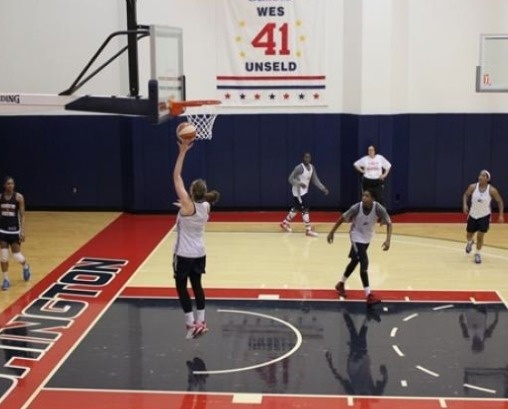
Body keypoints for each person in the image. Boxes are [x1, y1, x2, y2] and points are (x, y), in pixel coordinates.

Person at [173, 136, 220, 339]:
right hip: (199, 253)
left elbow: (176, 176)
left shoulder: (187, 205)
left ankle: (190, 324)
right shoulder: (206, 206)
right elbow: (195, 205)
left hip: (184, 254)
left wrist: (183, 151)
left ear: (191, 192)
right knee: (197, 285)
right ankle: (202, 321)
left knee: (181, 287)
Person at [327, 189, 392, 305]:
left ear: (373, 199)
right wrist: (332, 232)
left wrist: (388, 240)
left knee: (355, 261)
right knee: (364, 261)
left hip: (367, 237)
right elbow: (342, 218)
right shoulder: (356, 207)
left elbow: (389, 223)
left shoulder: (378, 208)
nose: (363, 198)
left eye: (367, 196)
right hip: (355, 236)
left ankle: (340, 284)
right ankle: (369, 295)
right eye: (363, 195)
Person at [280, 152, 329, 237]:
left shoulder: (312, 167)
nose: (307, 159)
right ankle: (308, 230)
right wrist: (299, 183)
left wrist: (323, 188)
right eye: (306, 157)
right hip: (298, 192)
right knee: (305, 209)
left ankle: (285, 223)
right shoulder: (299, 168)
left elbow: (315, 180)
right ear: (303, 158)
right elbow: (290, 179)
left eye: (309, 157)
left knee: (297, 208)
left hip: (304, 191)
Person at [462, 169, 504, 264]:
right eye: (480, 175)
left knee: (480, 236)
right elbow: (465, 195)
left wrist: (501, 215)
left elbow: (500, 201)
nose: (480, 177)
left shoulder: (492, 190)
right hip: (473, 215)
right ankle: (470, 242)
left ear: (487, 179)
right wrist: (465, 204)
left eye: (483, 175)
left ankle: (477, 253)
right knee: (469, 235)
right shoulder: (472, 187)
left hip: (484, 216)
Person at [0, 176, 31, 290]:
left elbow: (22, 215)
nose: (10, 186)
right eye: (8, 184)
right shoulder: (1, 197)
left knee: (17, 255)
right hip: (2, 231)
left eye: (12, 183)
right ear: (4, 185)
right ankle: (6, 280)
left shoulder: (19, 197)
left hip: (14, 231)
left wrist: (22, 231)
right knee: (3, 258)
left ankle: (26, 266)